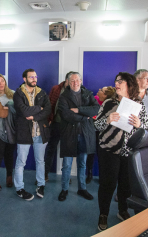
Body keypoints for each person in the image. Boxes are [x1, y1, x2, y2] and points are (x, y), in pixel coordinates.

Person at [94, 72, 148, 231]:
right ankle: (103, 214)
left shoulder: (139, 105)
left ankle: (122, 210)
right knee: (107, 184)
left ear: (129, 85)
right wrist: (107, 119)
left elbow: (146, 127)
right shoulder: (108, 103)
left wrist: (139, 124)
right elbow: (96, 126)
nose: (116, 84)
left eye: (120, 81)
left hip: (129, 151)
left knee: (126, 185)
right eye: (116, 81)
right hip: (109, 150)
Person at [57, 72, 100, 201]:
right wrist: (85, 116)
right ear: (68, 83)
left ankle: (82, 189)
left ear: (81, 81)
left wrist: (78, 109)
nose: (75, 83)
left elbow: (96, 109)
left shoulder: (88, 94)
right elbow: (66, 115)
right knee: (67, 165)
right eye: (72, 81)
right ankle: (64, 189)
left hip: (85, 134)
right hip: (69, 134)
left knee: (82, 164)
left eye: (77, 80)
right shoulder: (63, 97)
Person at [13, 68, 51, 201]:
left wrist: (34, 116)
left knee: (40, 161)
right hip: (24, 132)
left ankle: (41, 185)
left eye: (35, 76)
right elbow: (23, 111)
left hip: (40, 132)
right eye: (31, 77)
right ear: (25, 79)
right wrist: (38, 109)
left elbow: (47, 109)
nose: (34, 79)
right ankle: (19, 188)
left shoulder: (42, 93)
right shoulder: (18, 94)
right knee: (21, 162)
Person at [44, 71, 73, 181]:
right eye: (71, 81)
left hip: (68, 126)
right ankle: (45, 174)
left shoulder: (75, 91)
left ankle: (66, 176)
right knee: (51, 149)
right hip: (55, 124)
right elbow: (49, 104)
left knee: (66, 151)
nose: (74, 83)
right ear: (66, 80)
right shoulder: (56, 89)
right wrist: (49, 119)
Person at [86, 86, 116, 184]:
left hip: (105, 133)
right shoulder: (94, 99)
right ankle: (89, 174)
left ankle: (102, 176)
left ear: (105, 95)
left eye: (101, 91)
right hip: (92, 130)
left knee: (102, 154)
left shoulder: (112, 105)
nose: (98, 91)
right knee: (90, 152)